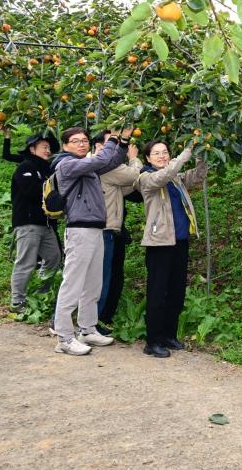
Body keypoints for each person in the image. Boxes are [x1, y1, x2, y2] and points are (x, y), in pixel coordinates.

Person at [51, 126, 132, 355]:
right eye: (76, 141)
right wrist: (113, 138)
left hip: (96, 229)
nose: (81, 144)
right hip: (79, 230)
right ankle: (64, 338)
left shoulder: (87, 166)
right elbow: (101, 159)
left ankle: (87, 329)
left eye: (84, 140)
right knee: (72, 285)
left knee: (93, 284)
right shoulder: (66, 164)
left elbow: (113, 159)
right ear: (65, 145)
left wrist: (124, 140)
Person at [135, 141, 207, 358]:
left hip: (180, 241)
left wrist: (201, 153)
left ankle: (168, 335)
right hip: (159, 243)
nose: (162, 156)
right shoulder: (146, 178)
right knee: (157, 293)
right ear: (148, 158)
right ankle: (152, 341)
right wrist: (185, 154)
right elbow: (163, 176)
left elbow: (198, 176)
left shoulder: (176, 178)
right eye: (156, 153)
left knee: (176, 291)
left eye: (165, 152)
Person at [91, 130, 143, 334]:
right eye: (112, 144)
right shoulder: (107, 166)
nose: (117, 149)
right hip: (105, 230)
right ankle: (91, 324)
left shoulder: (95, 166)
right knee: (101, 278)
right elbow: (133, 175)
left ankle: (90, 322)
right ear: (99, 147)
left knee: (95, 277)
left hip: (102, 229)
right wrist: (134, 159)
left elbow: (123, 188)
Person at [8, 132, 62, 313]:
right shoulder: (25, 167)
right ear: (32, 149)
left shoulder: (46, 170)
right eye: (44, 147)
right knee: (25, 262)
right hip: (28, 223)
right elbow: (32, 192)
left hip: (46, 224)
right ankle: (17, 302)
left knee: (54, 258)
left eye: (49, 147)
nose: (48, 150)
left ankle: (40, 294)